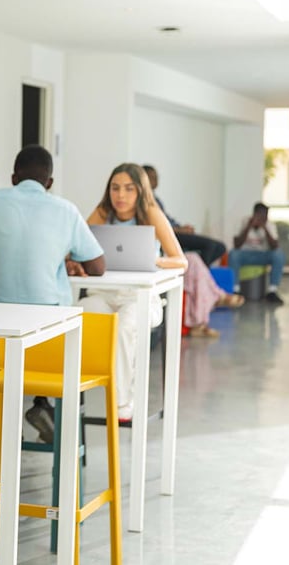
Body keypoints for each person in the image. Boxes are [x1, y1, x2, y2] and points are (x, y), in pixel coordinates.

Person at [0, 145, 105, 442]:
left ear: (12, 177)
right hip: (49, 329)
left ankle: (8, 422)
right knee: (58, 337)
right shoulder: (65, 209)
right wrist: (63, 256)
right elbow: (98, 266)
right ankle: (46, 407)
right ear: (49, 183)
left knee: (15, 354)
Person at [82, 163, 188, 421]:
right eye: (115, 188)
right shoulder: (102, 212)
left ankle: (122, 403)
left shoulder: (151, 213)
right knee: (81, 315)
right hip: (104, 295)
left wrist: (154, 260)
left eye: (129, 189)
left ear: (141, 191)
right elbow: (79, 244)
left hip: (141, 299)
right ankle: (67, 397)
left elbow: (181, 261)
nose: (121, 195)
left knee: (126, 326)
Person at [142, 165, 227, 266]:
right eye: (151, 177)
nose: (155, 180)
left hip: (176, 230)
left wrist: (182, 227)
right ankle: (200, 274)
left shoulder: (156, 199)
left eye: (156, 177)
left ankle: (196, 269)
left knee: (220, 247)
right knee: (210, 246)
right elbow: (159, 226)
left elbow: (167, 219)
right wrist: (179, 230)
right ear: (143, 180)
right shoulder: (146, 202)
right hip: (171, 233)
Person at [229, 202, 286, 304]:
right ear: (254, 214)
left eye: (266, 216)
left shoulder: (269, 225)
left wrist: (265, 228)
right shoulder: (243, 222)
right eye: (262, 215)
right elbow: (236, 245)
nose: (264, 218)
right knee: (233, 254)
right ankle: (235, 290)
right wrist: (248, 227)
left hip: (263, 255)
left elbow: (275, 246)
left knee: (279, 254)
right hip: (245, 255)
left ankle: (272, 291)